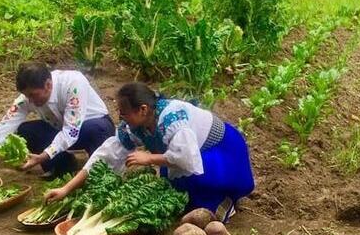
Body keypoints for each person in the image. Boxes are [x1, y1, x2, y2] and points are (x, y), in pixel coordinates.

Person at [45, 82, 255, 222]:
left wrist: (150, 158)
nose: (121, 117)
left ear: (143, 109)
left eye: (124, 112)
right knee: (175, 190)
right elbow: (105, 157)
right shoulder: (134, 127)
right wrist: (66, 189)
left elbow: (187, 158)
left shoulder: (172, 118)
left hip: (221, 150)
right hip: (189, 155)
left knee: (199, 183)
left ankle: (226, 199)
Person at [0, 62, 115, 187]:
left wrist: (43, 155)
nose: (30, 101)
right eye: (27, 96)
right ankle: (64, 166)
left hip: (93, 126)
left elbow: (71, 131)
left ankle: (102, 171)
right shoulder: (27, 98)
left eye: (33, 95)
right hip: (61, 129)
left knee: (95, 130)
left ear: (48, 85)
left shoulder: (73, 83)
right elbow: (2, 128)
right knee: (26, 130)